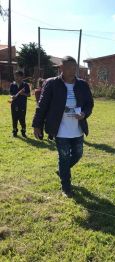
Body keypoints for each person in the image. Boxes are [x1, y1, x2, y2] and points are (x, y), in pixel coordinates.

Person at [32, 56, 94, 197]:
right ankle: (66, 186)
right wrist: (37, 124)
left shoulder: (82, 85)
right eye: (69, 68)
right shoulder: (52, 84)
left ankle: (62, 170)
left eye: (74, 67)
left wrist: (84, 113)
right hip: (60, 129)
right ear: (61, 68)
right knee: (64, 157)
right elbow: (42, 105)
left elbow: (89, 103)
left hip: (77, 128)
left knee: (78, 154)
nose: (73, 70)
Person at [9, 70, 31, 138]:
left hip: (22, 105)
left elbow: (29, 95)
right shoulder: (12, 84)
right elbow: (10, 94)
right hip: (14, 104)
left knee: (22, 118)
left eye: (17, 76)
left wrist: (23, 93)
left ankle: (23, 131)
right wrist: (12, 96)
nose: (16, 77)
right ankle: (14, 131)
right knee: (14, 118)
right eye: (15, 76)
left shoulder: (25, 85)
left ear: (22, 77)